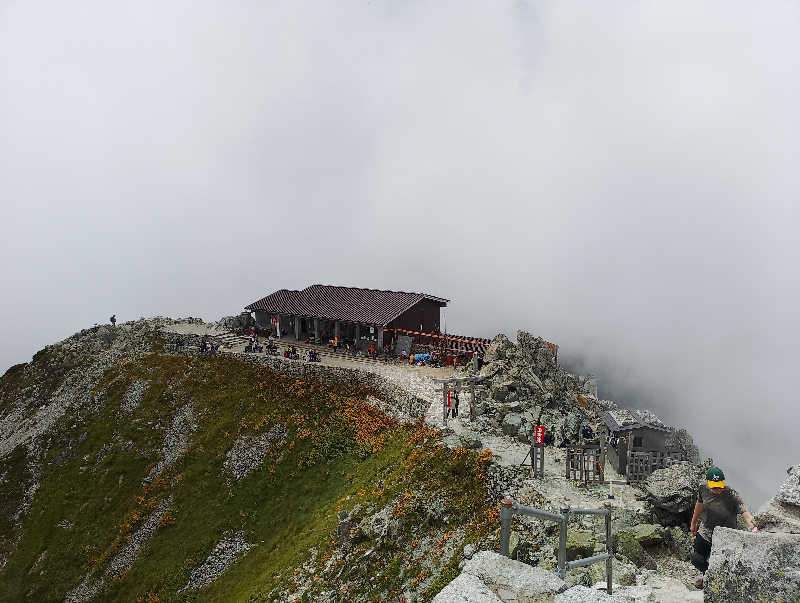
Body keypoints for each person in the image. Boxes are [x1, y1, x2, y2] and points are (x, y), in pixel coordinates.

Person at [690, 466, 757, 589]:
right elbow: (699, 504)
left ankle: (715, 580)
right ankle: (708, 575)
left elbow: (745, 512)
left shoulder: (731, 495)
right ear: (708, 482)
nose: (718, 489)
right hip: (706, 532)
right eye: (714, 486)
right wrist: (693, 523)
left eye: (720, 485)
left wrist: (752, 526)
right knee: (696, 558)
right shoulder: (703, 489)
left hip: (726, 535)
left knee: (724, 563)